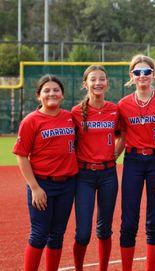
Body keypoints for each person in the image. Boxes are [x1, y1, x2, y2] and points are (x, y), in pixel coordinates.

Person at [117, 54, 155, 271]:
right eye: (137, 72)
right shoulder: (123, 105)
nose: (142, 76)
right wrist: (108, 158)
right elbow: (121, 137)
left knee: (154, 221)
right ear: (131, 76)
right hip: (132, 161)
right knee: (129, 221)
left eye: (147, 72)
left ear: (153, 75)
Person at [13, 75, 78, 271]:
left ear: (62, 95)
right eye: (47, 90)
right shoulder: (31, 121)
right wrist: (35, 188)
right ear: (38, 96)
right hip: (43, 184)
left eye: (56, 90)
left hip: (67, 184)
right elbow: (22, 156)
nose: (52, 94)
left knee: (57, 234)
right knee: (39, 234)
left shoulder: (69, 117)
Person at [71, 65, 119, 271]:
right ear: (85, 84)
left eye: (102, 79)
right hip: (84, 176)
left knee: (105, 229)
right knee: (83, 233)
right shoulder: (75, 112)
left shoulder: (114, 109)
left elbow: (123, 134)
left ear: (107, 83)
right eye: (93, 79)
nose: (98, 83)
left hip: (108, 174)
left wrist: (115, 153)